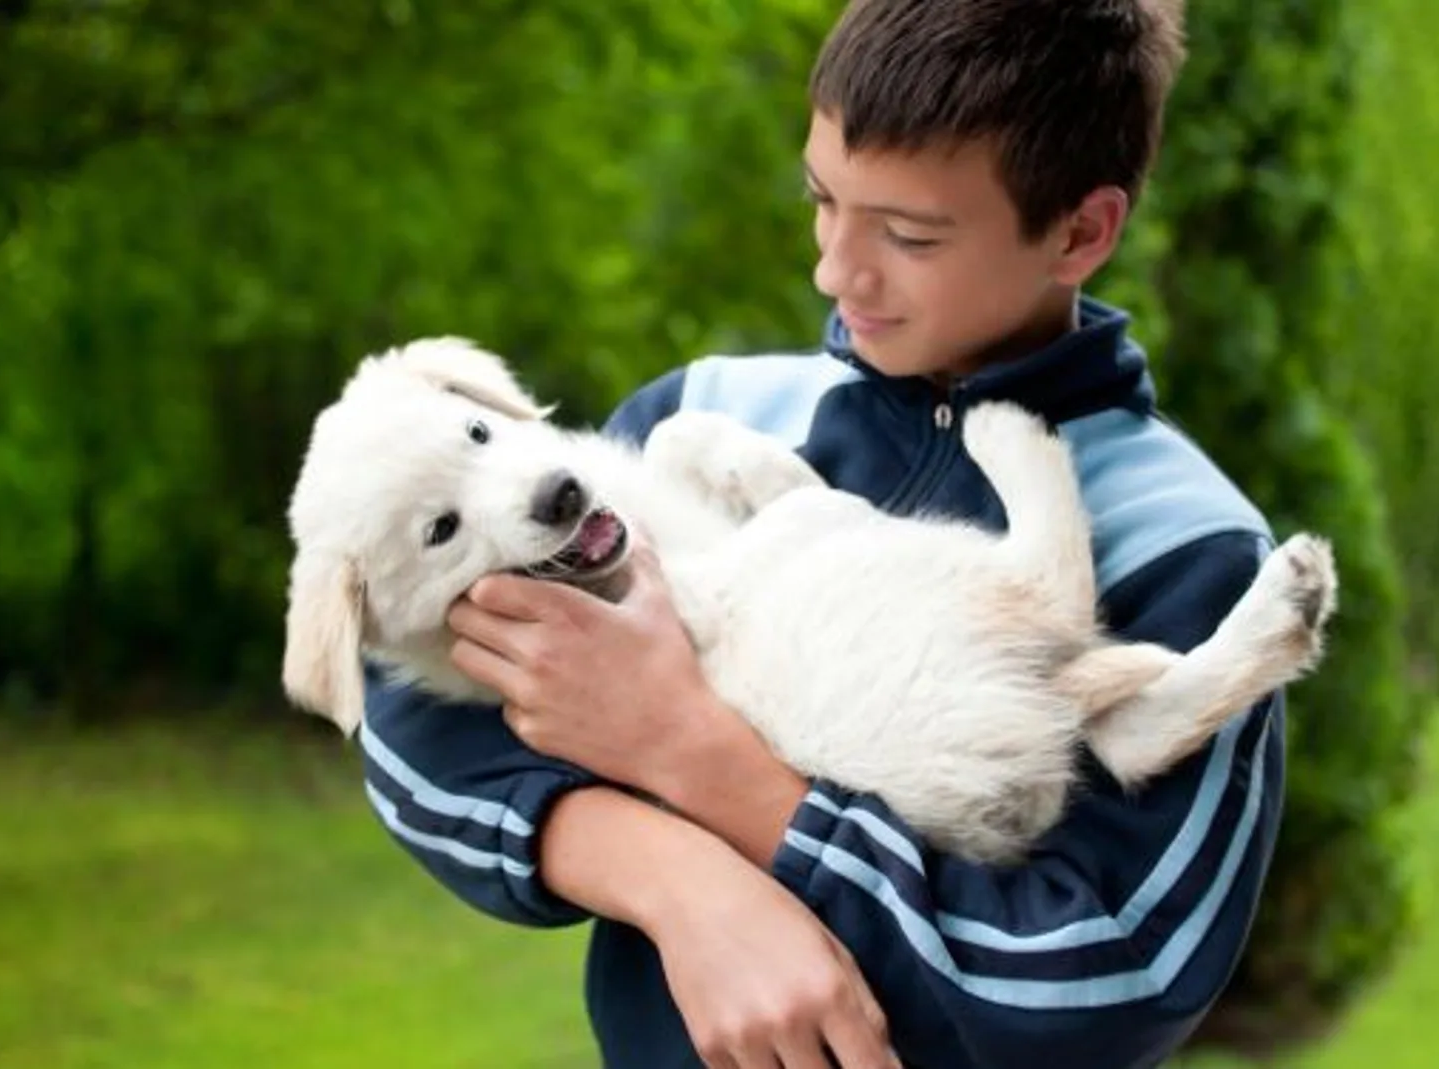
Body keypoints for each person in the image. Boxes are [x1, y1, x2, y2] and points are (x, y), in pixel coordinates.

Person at [359, 1, 1287, 1066]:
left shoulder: (1183, 542)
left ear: (1080, 231)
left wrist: (712, 771)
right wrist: (680, 883)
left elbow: (1114, 974)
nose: (836, 273)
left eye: (907, 235)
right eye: (823, 201)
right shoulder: (699, 418)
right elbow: (409, 708)